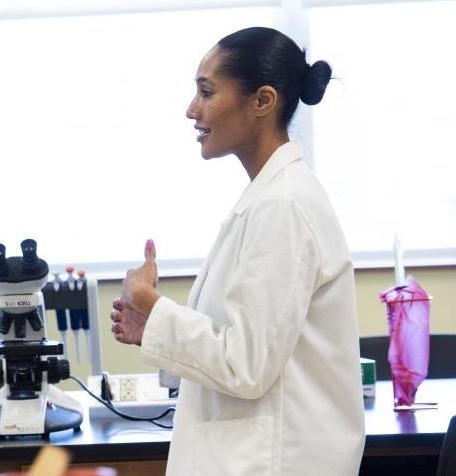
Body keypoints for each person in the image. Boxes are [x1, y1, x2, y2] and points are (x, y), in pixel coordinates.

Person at [110, 27, 365, 475]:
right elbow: (239, 346)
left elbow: (245, 366)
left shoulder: (283, 206)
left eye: (206, 92)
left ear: (262, 101)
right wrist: (153, 325)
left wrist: (153, 305)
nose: (192, 110)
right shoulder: (268, 199)